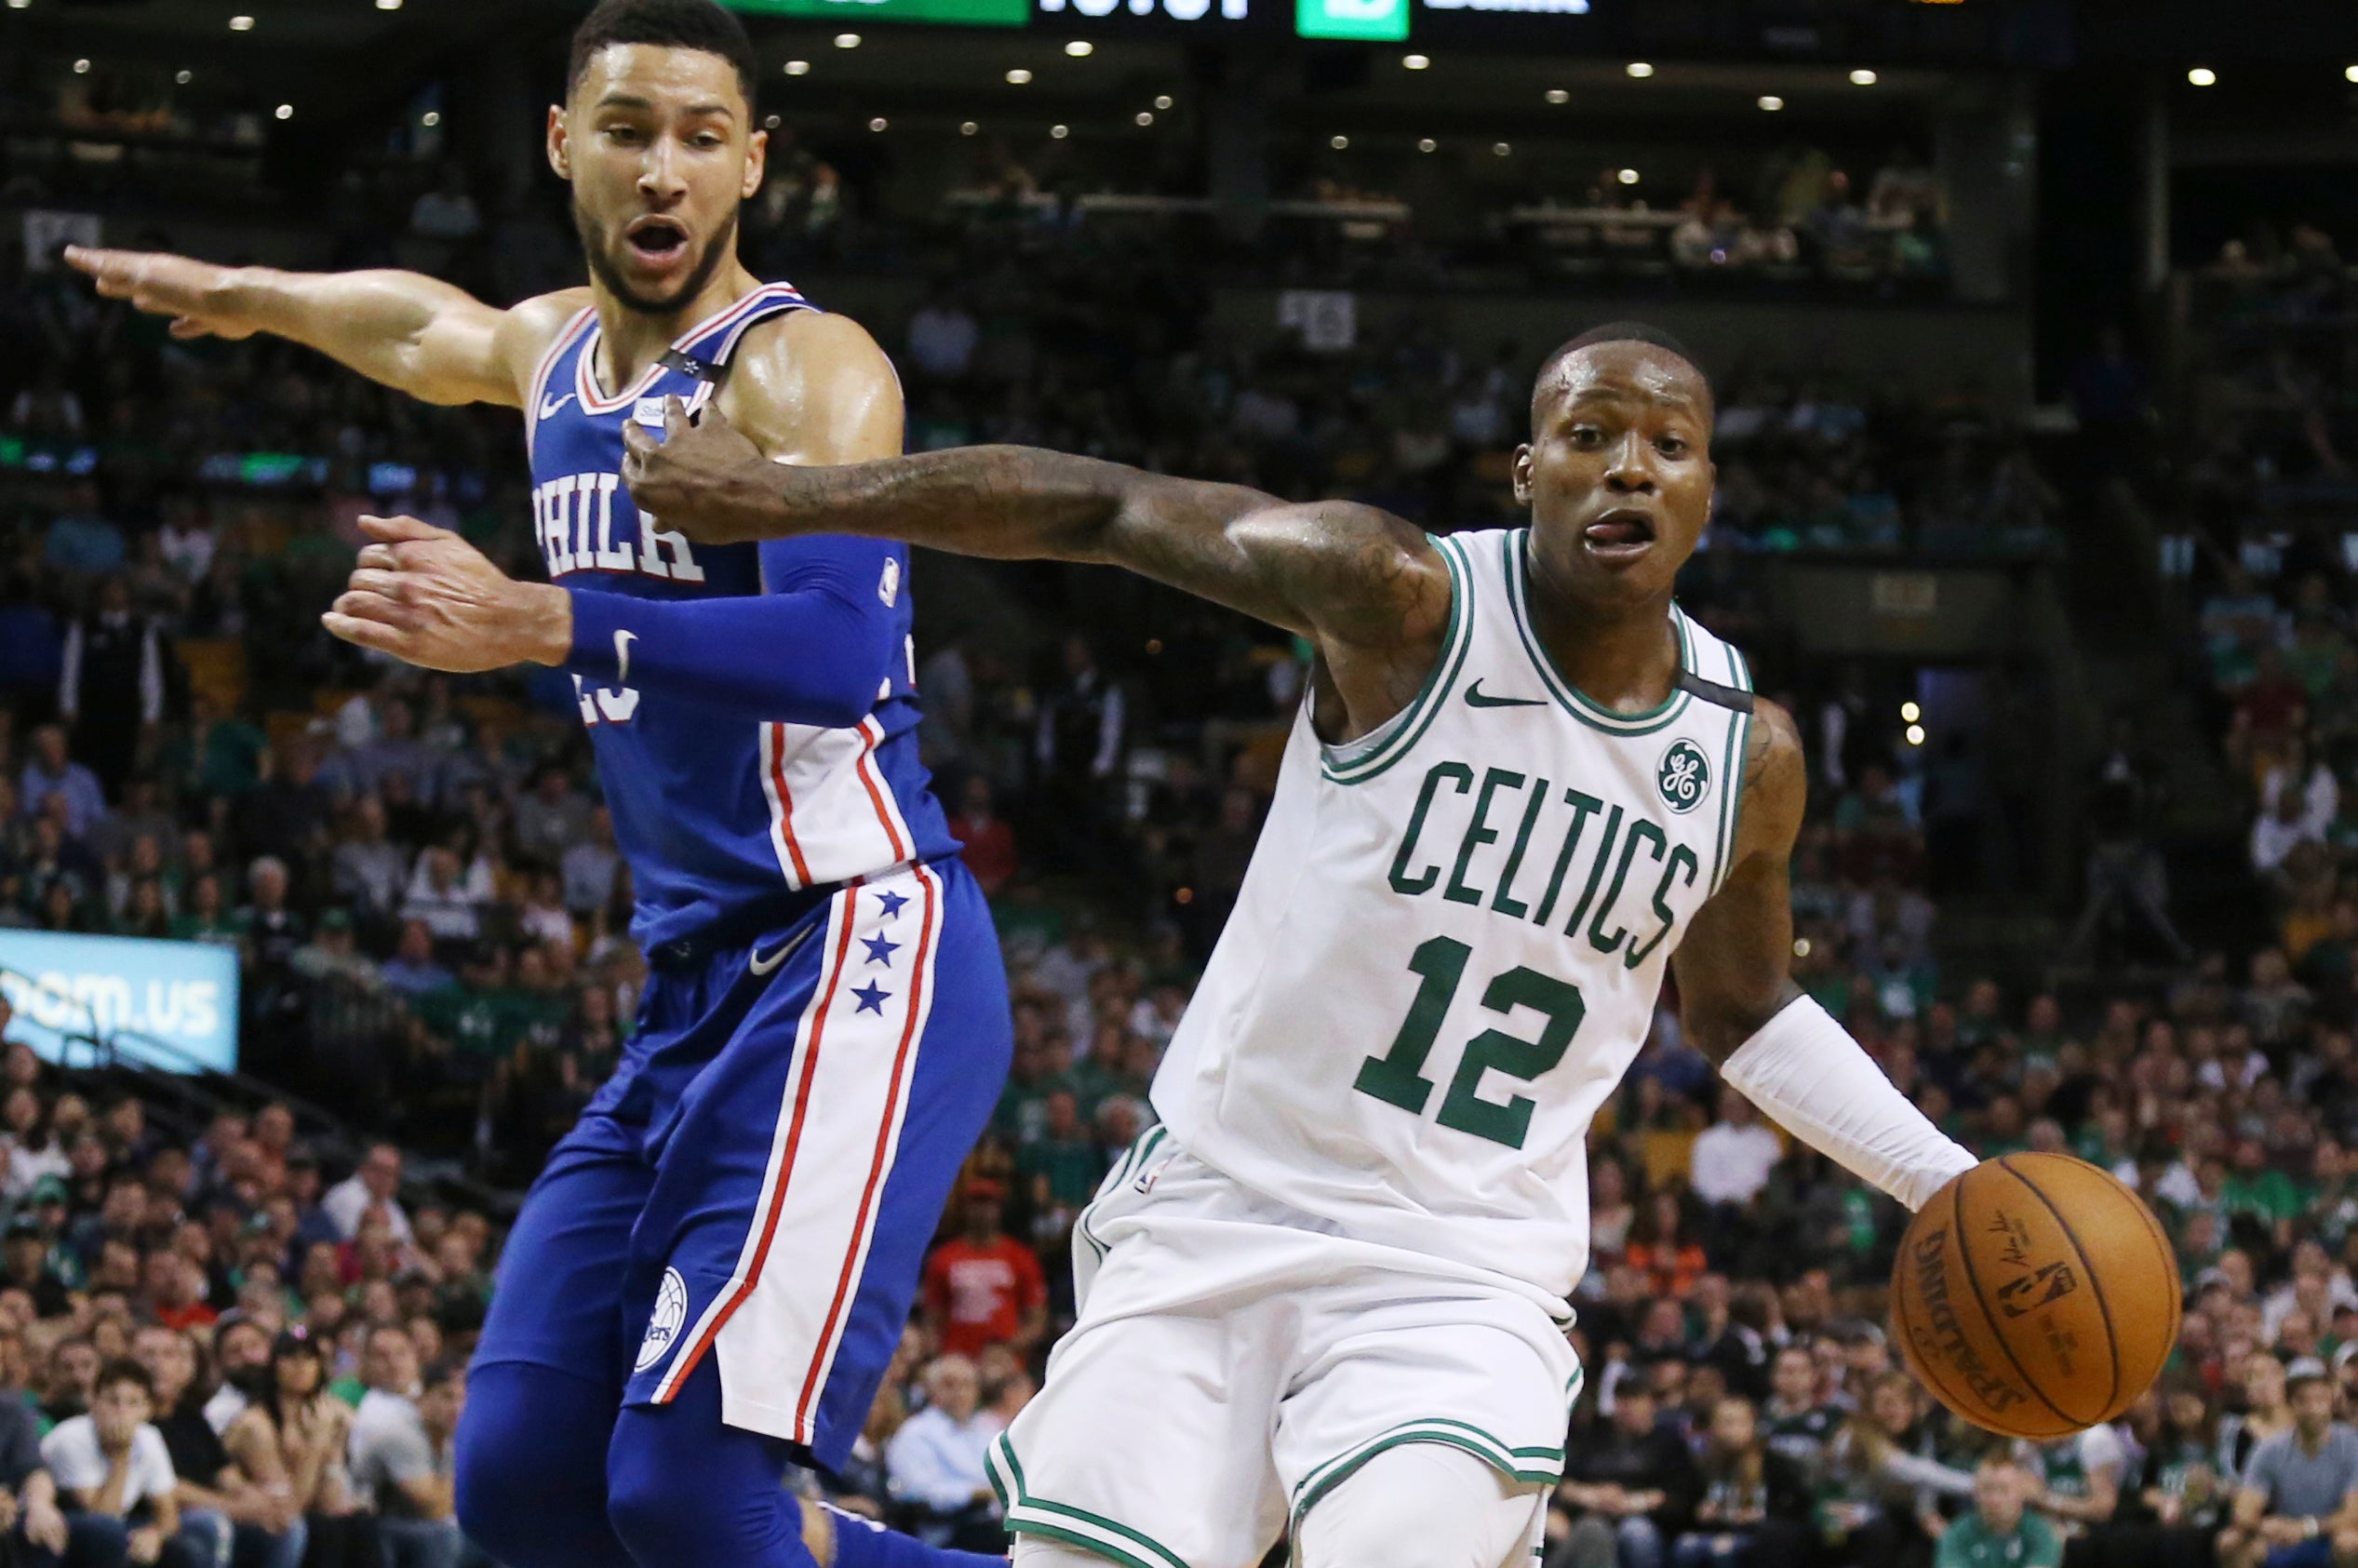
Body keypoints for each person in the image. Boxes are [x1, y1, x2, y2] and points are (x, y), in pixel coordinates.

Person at [623, 317, 1985, 1568]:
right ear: (1526, 472)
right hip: (1219, 1209)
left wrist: (1945, 1182)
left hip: (1460, 1277)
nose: (1627, 469)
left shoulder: (1744, 756)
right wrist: (787, 496)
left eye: (1667, 447)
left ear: (1704, 490)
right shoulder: (1400, 602)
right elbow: (1100, 507)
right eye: (1588, 438)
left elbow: (1740, 1010)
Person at [67, 7, 1013, 1568]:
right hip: (692, 981)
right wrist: (243, 295)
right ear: (564, 145)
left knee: (686, 1497)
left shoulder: (807, 370)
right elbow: (408, 328)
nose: (663, 171)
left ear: (750, 165)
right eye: (629, 129)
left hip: (858, 943)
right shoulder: (551, 352)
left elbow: (845, 649)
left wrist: (534, 617)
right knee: (514, 1480)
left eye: (702, 137)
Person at [41, 1360, 181, 1568]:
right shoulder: (71, 1438)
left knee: (200, 1528)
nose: (122, 1411)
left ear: (148, 1410)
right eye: (113, 1401)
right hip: (63, 1527)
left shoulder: (149, 1437)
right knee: (109, 1534)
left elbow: (169, 1515)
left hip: (116, 1524)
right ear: (93, 1402)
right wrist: (121, 1456)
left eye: (133, 1403)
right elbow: (100, 1519)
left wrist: (155, 1535)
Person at [2218, 1364, 2358, 1568]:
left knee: (2350, 1543)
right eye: (2303, 1401)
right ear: (2290, 1404)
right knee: (2230, 1543)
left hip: (2331, 1535)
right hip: (2283, 1537)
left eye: (2320, 1400)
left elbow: (2353, 1514)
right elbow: (2244, 1510)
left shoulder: (2351, 1444)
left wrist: (2305, 1528)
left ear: (2331, 1403)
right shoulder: (2269, 1449)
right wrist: (2264, 1527)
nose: (2313, 1409)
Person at [883, 1356, 1004, 1552]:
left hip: (989, 1521)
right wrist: (974, 1493)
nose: (960, 1392)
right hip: (944, 1532)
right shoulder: (916, 1433)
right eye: (949, 1384)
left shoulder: (985, 1430)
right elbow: (915, 1492)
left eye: (967, 1384)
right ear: (932, 1390)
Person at [1936, 1457, 2060, 1568]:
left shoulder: (2040, 1532)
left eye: (2004, 1490)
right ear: (1975, 1493)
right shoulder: (1957, 1533)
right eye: (1987, 1489)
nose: (1995, 1500)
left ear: (2020, 1492)